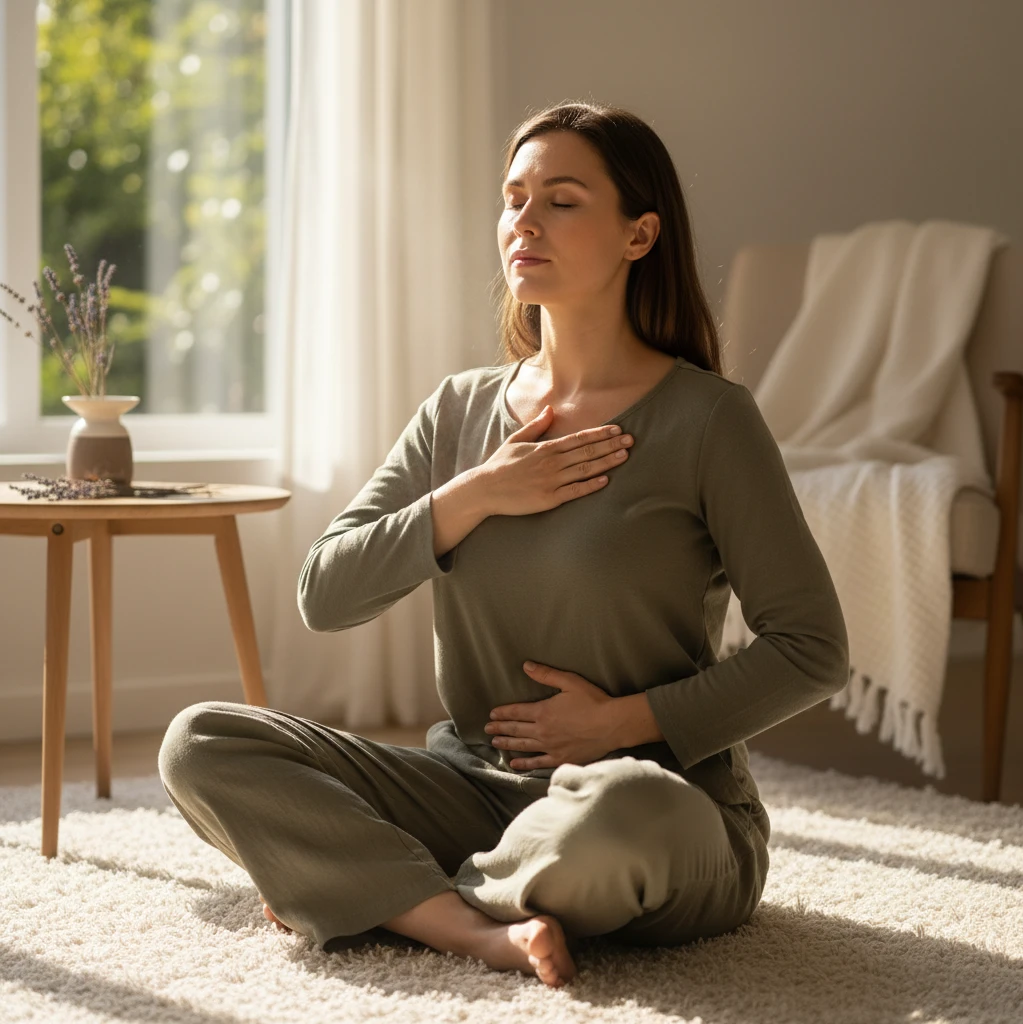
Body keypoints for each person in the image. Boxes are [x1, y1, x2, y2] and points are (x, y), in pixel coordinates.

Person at [158, 100, 850, 989]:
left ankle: (370, 889)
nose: (523, 221)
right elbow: (324, 595)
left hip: (651, 803)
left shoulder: (710, 420)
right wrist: (474, 495)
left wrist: (620, 724)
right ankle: (475, 928)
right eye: (513, 197)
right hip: (471, 795)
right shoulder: (458, 412)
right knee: (201, 742)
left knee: (623, 812)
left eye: (561, 200)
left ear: (640, 235)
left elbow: (813, 648)